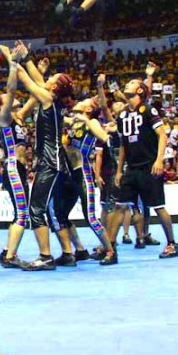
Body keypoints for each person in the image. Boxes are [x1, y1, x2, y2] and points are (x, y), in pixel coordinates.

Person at [10, 45, 77, 271]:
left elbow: (28, 81)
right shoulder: (51, 98)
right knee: (50, 210)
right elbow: (38, 80)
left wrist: (13, 60)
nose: (48, 78)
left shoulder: (47, 98)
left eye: (52, 78)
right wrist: (27, 58)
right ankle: (67, 254)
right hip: (53, 161)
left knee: (36, 210)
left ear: (54, 86)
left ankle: (45, 256)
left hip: (50, 162)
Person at [109, 79, 178, 258]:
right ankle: (110, 249)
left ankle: (172, 243)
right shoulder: (122, 115)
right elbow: (123, 145)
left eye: (132, 82)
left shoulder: (148, 110)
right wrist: (119, 170)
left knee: (158, 207)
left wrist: (159, 160)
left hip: (149, 166)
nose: (128, 83)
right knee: (119, 206)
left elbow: (162, 135)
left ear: (139, 90)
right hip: (131, 168)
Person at [63, 98, 118, 265]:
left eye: (84, 101)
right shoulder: (74, 121)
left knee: (90, 217)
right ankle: (80, 250)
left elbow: (104, 137)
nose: (79, 102)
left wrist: (86, 120)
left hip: (83, 173)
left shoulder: (91, 122)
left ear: (88, 109)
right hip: (69, 174)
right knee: (61, 215)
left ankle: (110, 251)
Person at [0, 45, 32, 267]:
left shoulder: (18, 116)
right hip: (13, 168)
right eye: (5, 98)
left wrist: (31, 66)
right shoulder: (5, 118)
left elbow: (36, 97)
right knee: (22, 214)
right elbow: (11, 90)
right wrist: (12, 64)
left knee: (19, 212)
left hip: (20, 169)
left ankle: (6, 251)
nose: (9, 97)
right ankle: (10, 257)